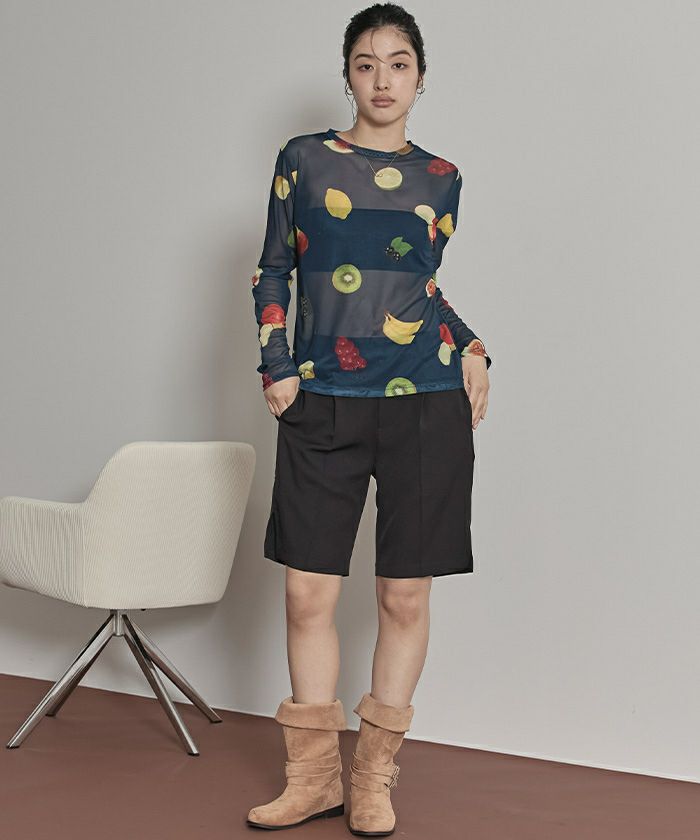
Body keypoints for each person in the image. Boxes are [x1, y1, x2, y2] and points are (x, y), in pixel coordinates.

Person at [247, 4, 492, 835]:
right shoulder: (304, 160)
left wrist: (471, 344)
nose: (382, 79)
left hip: (425, 403)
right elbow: (274, 268)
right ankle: (312, 779)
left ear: (420, 77)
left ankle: (374, 779)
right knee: (307, 593)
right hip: (322, 400)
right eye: (365, 63)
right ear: (347, 75)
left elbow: (416, 288)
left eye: (398, 63)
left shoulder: (443, 178)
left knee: (404, 597)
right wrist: (278, 366)